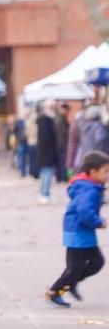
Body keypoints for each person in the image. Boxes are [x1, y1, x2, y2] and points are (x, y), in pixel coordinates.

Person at [45, 151, 109, 307]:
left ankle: (70, 283)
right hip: (77, 232)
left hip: (83, 232)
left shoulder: (92, 186)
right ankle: (55, 291)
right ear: (93, 172)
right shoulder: (89, 189)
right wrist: (98, 221)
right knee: (75, 268)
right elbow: (84, 211)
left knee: (97, 262)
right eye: (106, 171)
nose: (108, 175)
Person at [37, 100, 62, 204]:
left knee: (45, 173)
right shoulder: (45, 120)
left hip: (45, 152)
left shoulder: (46, 119)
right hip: (47, 152)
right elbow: (46, 138)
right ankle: (45, 194)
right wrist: (51, 150)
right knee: (47, 173)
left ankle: (44, 193)